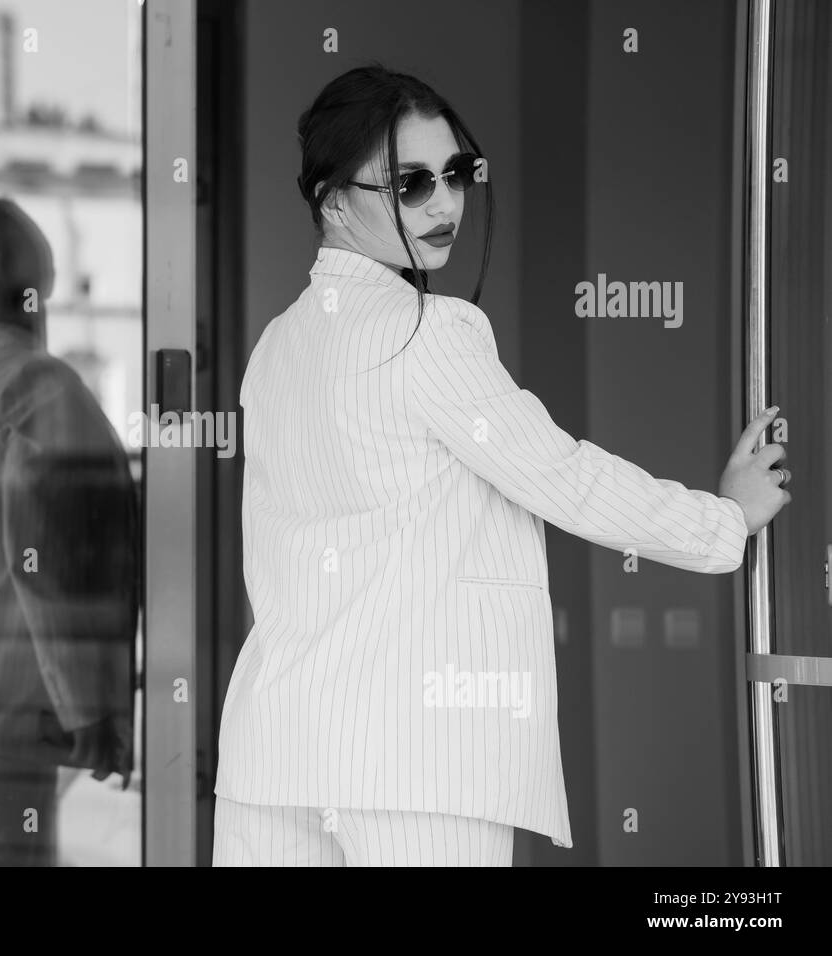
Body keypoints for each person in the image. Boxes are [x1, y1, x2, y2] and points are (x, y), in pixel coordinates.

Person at [212, 64, 792, 867]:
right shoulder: (431, 331)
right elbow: (562, 475)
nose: (446, 202)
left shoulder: (275, 345)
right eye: (410, 183)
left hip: (271, 757)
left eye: (455, 174)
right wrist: (722, 521)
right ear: (333, 201)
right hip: (417, 765)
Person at [0, 197, 138, 866]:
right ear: (31, 287)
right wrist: (90, 703)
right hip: (16, 705)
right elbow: (59, 546)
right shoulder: (34, 384)